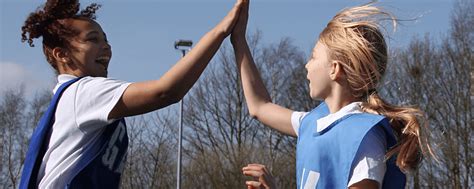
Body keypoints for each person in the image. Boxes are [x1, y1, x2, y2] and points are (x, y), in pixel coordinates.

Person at [19, 0, 246, 188]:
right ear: (62, 55)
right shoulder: (84, 92)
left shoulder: (75, 97)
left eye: (106, 39)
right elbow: (165, 91)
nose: (106, 46)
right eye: (92, 39)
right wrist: (220, 31)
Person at [231, 1, 432, 189]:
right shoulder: (313, 123)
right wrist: (238, 39)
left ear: (334, 69)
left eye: (313, 56)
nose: (307, 65)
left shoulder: (364, 138)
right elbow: (259, 106)